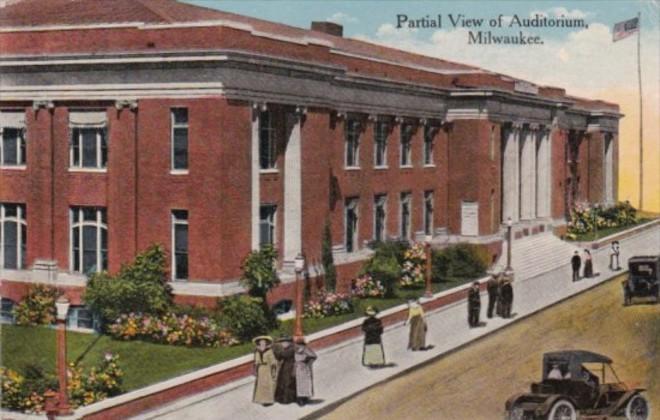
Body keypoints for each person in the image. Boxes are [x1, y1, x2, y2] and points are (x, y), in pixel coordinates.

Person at [252, 336, 278, 406]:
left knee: (268, 384)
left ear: (266, 343)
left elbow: (273, 360)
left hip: (267, 369)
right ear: (259, 343)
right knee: (261, 385)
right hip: (261, 369)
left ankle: (269, 400)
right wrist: (255, 368)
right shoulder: (257, 352)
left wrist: (273, 366)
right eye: (261, 342)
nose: (262, 344)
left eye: (264, 342)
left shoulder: (269, 351)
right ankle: (263, 400)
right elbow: (256, 361)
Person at [272, 336, 297, 404]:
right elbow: (280, 357)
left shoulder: (292, 349)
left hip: (291, 367)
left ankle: (288, 399)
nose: (283, 344)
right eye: (282, 343)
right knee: (283, 382)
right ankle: (283, 398)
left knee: (288, 382)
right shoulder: (288, 349)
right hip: (285, 367)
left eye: (284, 342)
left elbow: (283, 355)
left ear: (289, 342)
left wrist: (275, 351)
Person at [293, 338, 317, 406]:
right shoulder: (294, 351)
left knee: (305, 383)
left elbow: (313, 356)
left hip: (304, 368)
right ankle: (300, 398)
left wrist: (307, 362)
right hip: (297, 368)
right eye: (296, 344)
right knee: (298, 384)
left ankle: (305, 398)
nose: (297, 345)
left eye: (299, 344)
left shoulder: (305, 349)